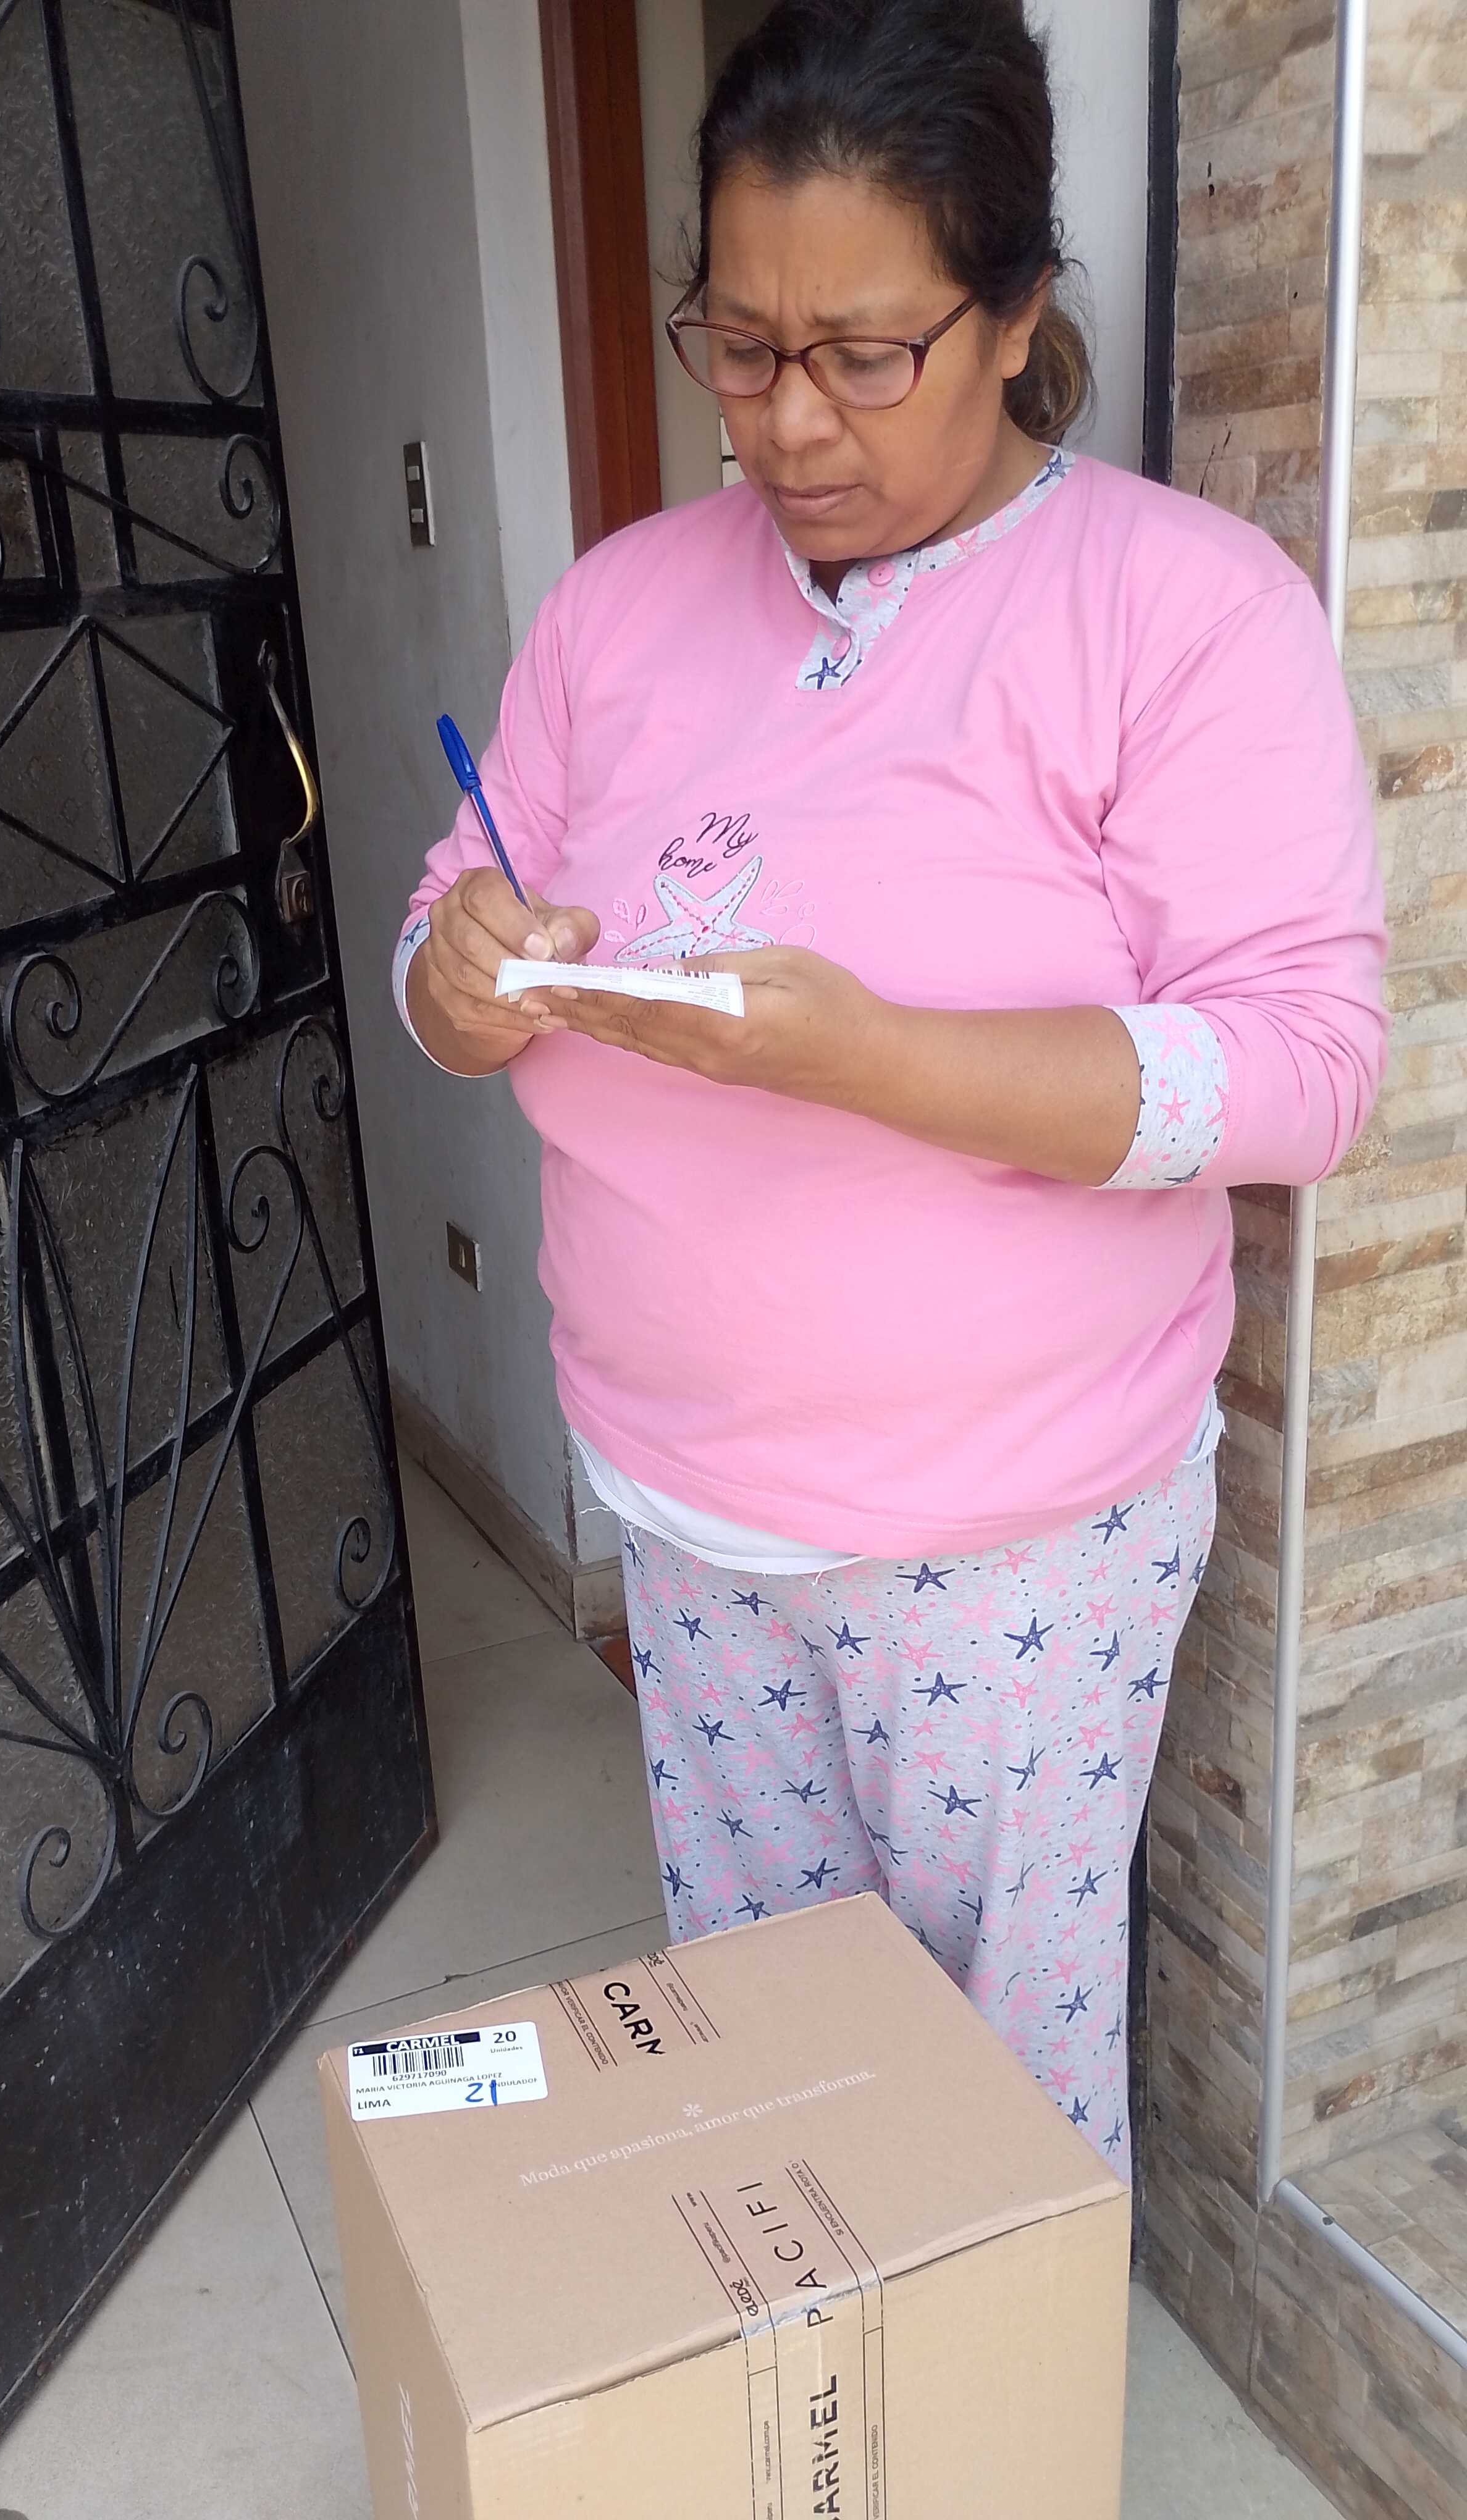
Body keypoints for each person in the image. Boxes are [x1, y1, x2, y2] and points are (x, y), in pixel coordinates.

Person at [391, 0, 1385, 2176]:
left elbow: (1308, 1073)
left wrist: (875, 1061)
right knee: (773, 2073)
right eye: (741, 347)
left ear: (1013, 315)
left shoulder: (1181, 612)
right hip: (686, 1505)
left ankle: (992, 2385)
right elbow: (460, 912)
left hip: (1010, 1537)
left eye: (863, 354)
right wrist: (460, 978)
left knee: (988, 2119)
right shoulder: (621, 608)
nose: (784, 422)